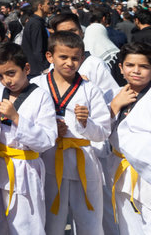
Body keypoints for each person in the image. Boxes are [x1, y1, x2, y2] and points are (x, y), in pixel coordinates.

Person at [31, 31, 111, 235]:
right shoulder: (37, 86)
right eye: (63, 57)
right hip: (49, 160)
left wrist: (86, 123)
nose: (70, 63)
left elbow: (103, 132)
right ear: (50, 57)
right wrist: (50, 130)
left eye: (75, 58)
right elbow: (28, 123)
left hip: (84, 162)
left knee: (90, 221)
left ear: (82, 59)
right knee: (51, 222)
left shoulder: (89, 89)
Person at [0, 42, 57, 234]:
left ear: (26, 68)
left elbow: (48, 139)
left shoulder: (41, 97)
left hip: (25, 169)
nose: (6, 80)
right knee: (1, 224)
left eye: (11, 73)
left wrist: (16, 118)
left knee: (28, 225)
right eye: (0, 76)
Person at [108, 42, 151, 234]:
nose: (136, 71)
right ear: (121, 68)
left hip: (146, 170)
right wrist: (113, 108)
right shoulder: (113, 94)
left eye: (144, 66)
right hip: (120, 169)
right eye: (130, 65)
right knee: (126, 225)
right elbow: (99, 133)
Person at [21, 0, 52, 77]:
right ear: (40, 6)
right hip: (37, 71)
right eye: (48, 4)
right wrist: (45, 68)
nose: (50, 6)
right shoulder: (36, 24)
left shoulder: (36, 22)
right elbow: (38, 50)